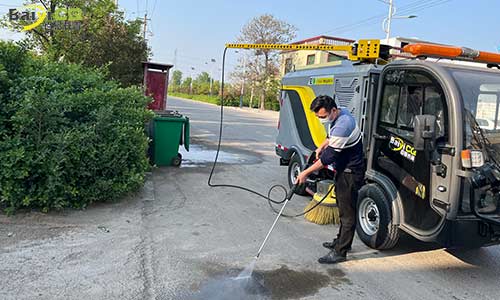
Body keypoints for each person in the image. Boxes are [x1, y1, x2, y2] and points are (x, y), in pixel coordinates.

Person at [296, 95, 366, 264]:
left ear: (333, 110)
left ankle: (341, 251)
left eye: (323, 116)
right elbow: (330, 136)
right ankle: (341, 241)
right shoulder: (341, 112)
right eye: (319, 117)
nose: (321, 120)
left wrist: (305, 173)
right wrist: (321, 146)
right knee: (343, 207)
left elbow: (327, 159)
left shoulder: (344, 125)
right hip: (345, 168)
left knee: (347, 213)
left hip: (351, 172)